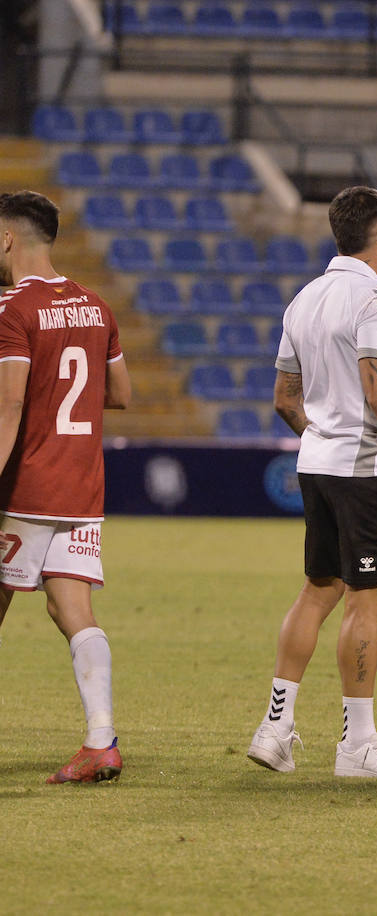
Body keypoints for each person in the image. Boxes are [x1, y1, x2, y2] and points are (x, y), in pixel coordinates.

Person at [247, 186, 377, 780]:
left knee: (318, 590)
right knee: (369, 600)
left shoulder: (304, 300)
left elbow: (285, 398)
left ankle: (276, 727)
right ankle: (358, 744)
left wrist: (327, 433)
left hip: (318, 466)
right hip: (370, 473)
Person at [0, 190, 131, 784]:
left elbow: (8, 411)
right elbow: (122, 394)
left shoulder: (12, 309)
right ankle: (100, 742)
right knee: (72, 607)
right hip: (81, 488)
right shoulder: (96, 306)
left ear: (8, 239)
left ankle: (102, 743)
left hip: (26, 489)